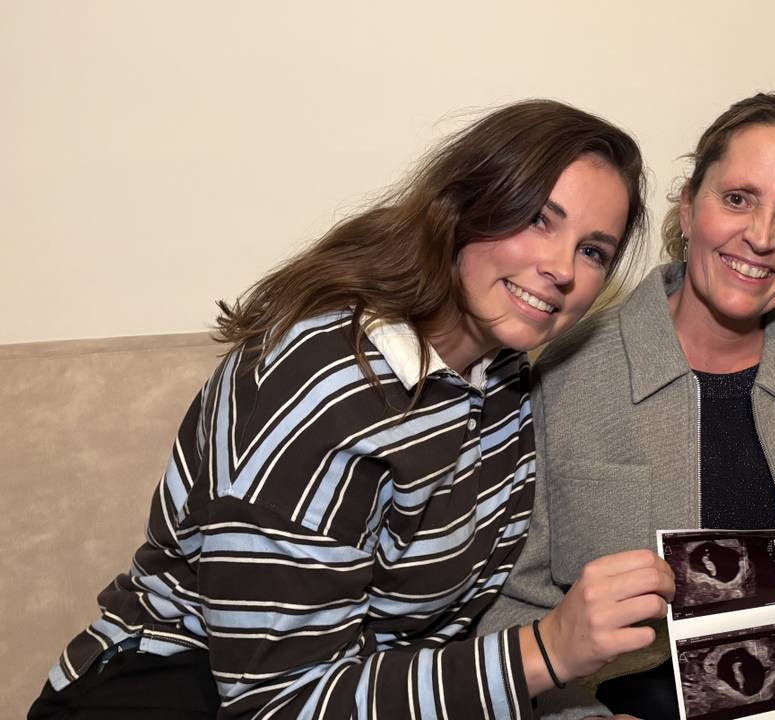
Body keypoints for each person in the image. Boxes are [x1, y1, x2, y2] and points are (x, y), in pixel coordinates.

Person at [29, 99, 677, 720]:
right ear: (466, 204)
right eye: (540, 218)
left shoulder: (502, 372)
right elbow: (280, 703)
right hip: (170, 687)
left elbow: (441, 633)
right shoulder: (322, 382)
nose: (562, 267)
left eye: (594, 250)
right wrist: (543, 653)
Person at [479, 93, 775, 719]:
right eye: (738, 199)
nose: (760, 237)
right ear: (687, 205)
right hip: (619, 697)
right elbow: (503, 602)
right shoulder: (564, 373)